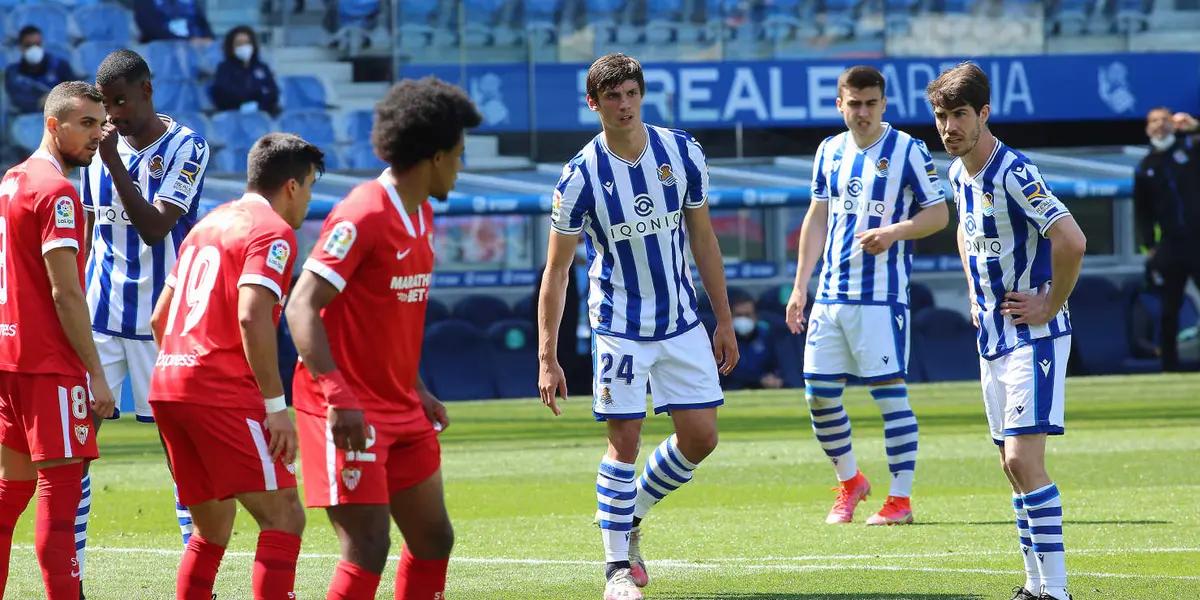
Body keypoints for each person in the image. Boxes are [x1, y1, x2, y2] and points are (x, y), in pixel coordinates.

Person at [536, 53, 739, 600]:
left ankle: (630, 515)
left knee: (702, 438)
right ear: (593, 104)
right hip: (618, 326)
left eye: (631, 94)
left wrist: (723, 318)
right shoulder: (578, 177)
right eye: (612, 97)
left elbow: (704, 240)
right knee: (623, 441)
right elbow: (556, 271)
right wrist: (547, 355)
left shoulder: (683, 152)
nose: (623, 105)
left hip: (681, 322)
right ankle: (617, 569)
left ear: (641, 95)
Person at [285, 77, 480, 600]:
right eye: (459, 156)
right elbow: (301, 305)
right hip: (345, 409)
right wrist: (339, 396)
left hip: (399, 405)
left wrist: (416, 388)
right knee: (367, 545)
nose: (461, 168)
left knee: (434, 538)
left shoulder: (424, 212)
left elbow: (392, 315)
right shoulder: (364, 213)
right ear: (435, 157)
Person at [927, 62, 1086, 600]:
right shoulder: (956, 174)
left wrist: (1050, 303)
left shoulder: (1013, 171)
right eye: (942, 116)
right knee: (1009, 466)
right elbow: (968, 237)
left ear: (984, 114)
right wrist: (974, 294)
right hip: (992, 336)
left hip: (1033, 336)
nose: (949, 127)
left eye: (960, 115)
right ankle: (1034, 586)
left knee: (1024, 461)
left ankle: (1057, 591)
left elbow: (1071, 239)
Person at [148, 132, 322, 600]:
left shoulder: (208, 224)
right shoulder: (273, 232)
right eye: (308, 187)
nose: (308, 200)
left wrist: (185, 367)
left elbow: (160, 317)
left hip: (169, 383)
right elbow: (250, 314)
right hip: (218, 390)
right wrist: (275, 406)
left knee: (212, 527)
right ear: (290, 186)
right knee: (285, 515)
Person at [785, 65, 948, 526]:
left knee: (889, 396)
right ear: (840, 104)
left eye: (871, 103)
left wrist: (895, 232)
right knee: (818, 395)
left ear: (884, 104)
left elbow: (938, 215)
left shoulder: (908, 150)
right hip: (831, 296)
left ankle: (900, 500)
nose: (862, 112)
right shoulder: (829, 151)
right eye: (854, 104)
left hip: (881, 297)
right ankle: (851, 481)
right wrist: (801, 286)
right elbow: (817, 218)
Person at [76, 48, 210, 582]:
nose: (113, 115)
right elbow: (88, 234)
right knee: (75, 448)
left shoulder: (187, 146)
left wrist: (111, 162)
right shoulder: (94, 149)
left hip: (162, 325)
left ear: (147, 90)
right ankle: (71, 575)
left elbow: (156, 228)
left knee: (181, 456)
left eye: (121, 102)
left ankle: (196, 582)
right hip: (99, 321)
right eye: (106, 105)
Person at [0, 81, 116, 599]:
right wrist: (95, 373)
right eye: (87, 124)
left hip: (9, 358)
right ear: (54, 125)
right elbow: (66, 293)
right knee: (60, 500)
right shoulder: (58, 192)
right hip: (49, 364)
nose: (98, 134)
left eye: (101, 123)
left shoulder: (12, 180)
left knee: (9, 497)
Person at [1133, 107, 1200, 372]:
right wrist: (1148, 245)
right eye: (1154, 122)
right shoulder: (1145, 166)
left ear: (1173, 125)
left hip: (1198, 239)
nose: (1159, 125)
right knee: (1169, 308)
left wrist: (1194, 126)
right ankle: (1169, 366)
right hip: (1171, 245)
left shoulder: (1191, 151)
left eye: (1164, 120)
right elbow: (1142, 212)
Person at [532, 241, 593, 394]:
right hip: (565, 344)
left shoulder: (605, 268)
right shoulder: (552, 271)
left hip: (597, 341)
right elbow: (539, 310)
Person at [4, 26, 78, 114]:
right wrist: (40, 103)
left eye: (37, 44)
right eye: (28, 45)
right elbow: (17, 99)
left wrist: (54, 98)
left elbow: (75, 92)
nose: (34, 49)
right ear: (20, 47)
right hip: (27, 120)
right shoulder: (13, 72)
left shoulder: (60, 66)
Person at [210, 25, 281, 116]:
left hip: (262, 115)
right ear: (231, 47)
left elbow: (272, 92)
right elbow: (223, 95)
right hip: (233, 117)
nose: (244, 47)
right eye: (239, 44)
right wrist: (248, 101)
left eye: (247, 43)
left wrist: (259, 105)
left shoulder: (262, 67)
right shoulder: (224, 69)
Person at [722, 295, 783, 390]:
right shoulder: (722, 340)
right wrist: (758, 379)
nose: (743, 319)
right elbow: (724, 373)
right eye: (739, 315)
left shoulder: (766, 337)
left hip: (764, 390)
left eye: (747, 315)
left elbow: (776, 366)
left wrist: (774, 378)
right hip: (731, 390)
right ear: (731, 317)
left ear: (755, 316)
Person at [134, 0, 215, 44]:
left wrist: (209, 38)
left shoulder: (190, 2)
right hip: (165, 51)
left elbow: (202, 23)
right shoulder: (144, 2)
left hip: (199, 51)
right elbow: (150, 29)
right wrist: (188, 41)